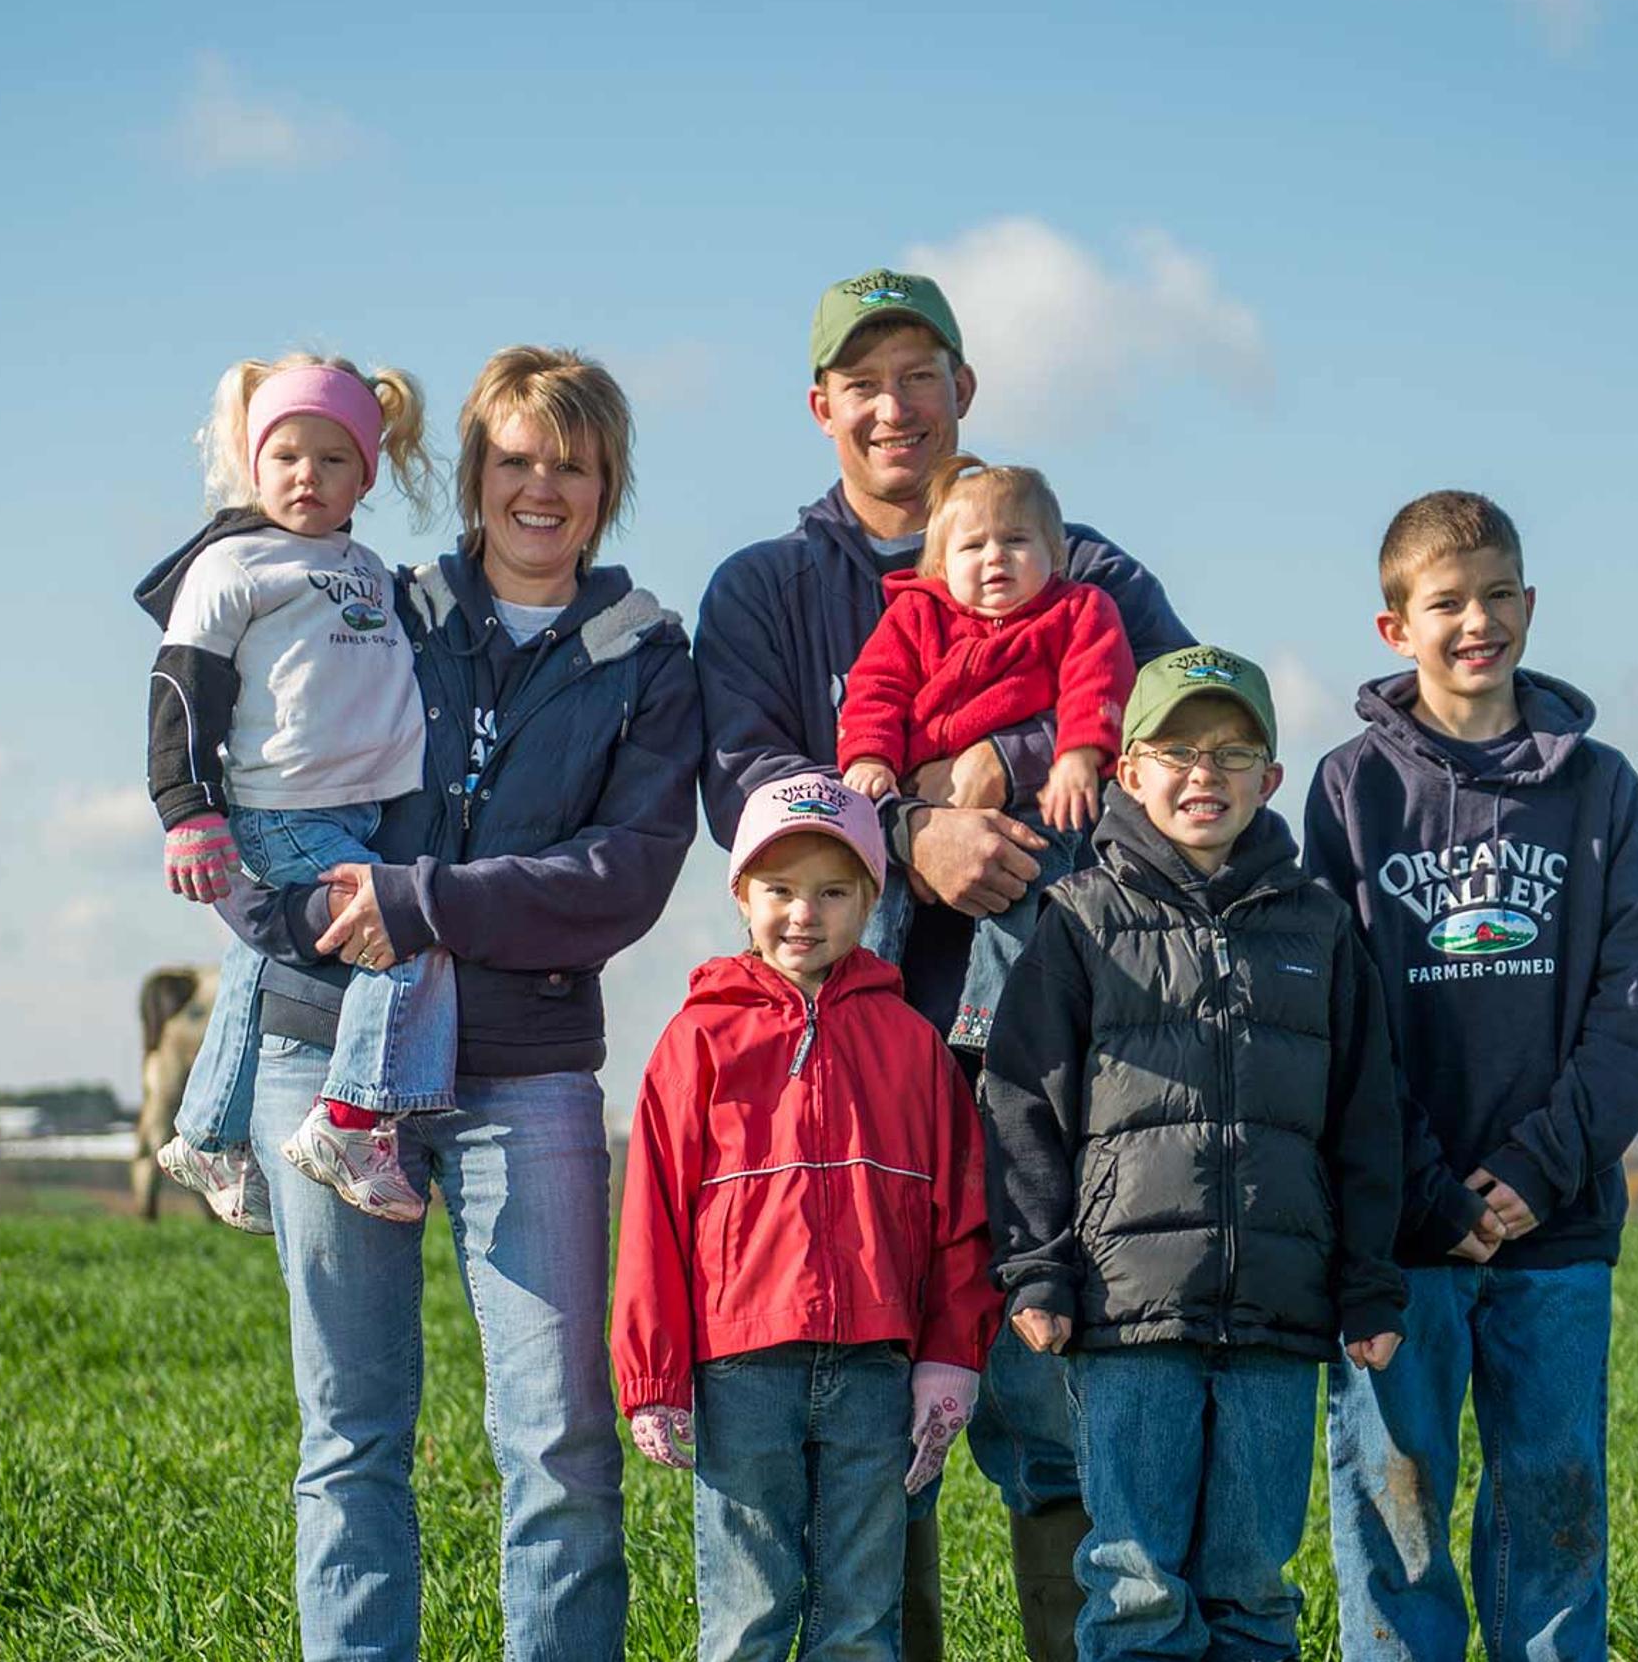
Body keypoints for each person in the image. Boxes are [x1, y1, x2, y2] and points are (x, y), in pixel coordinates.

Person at [694, 267, 1191, 1662]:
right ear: (820, 407)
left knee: (1049, 1411)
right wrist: (912, 830)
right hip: (853, 1061)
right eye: (865, 381)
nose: (894, 405)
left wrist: (1016, 768)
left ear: (965, 392)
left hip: (1054, 1059)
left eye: (922, 374)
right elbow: (741, 782)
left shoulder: (1083, 565)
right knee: (871, 1417)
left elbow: (1167, 740)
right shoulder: (764, 588)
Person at [218, 346, 703, 1662]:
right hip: (327, 1052)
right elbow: (260, 788)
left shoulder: (647, 652)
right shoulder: (370, 604)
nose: (541, 485)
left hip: (524, 1070)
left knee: (555, 1429)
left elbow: (622, 874)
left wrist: (424, 900)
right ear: (472, 473)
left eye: (573, 461)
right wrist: (310, 915)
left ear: (609, 484)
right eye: (515, 457)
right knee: (352, 1423)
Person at [978, 645, 1409, 1662]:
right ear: (1127, 768)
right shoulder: (1077, 920)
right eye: (1176, 748)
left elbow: (1365, 1119)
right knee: (1135, 1584)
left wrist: (1370, 1284)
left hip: (1276, 1313)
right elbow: (1023, 1105)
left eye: (1231, 751)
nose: (1202, 773)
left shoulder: (1319, 930)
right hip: (1127, 1316)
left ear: (1271, 779)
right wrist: (1038, 1265)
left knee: (1253, 1584)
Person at [1302, 490, 1638, 1662]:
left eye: (1500, 593)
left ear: (1531, 602)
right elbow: (1338, 1016)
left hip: (1556, 1231)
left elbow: (1630, 1014)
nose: (1479, 621)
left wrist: (1532, 1172)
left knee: (1553, 1510)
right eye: (1447, 601)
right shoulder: (1350, 790)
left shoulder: (1601, 788)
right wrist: (1432, 1188)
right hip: (1402, 1236)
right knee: (1395, 1515)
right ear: (1393, 628)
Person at [613, 774, 1002, 1662]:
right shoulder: (697, 1040)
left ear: (872, 897)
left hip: (875, 1371)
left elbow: (959, 1222)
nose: (804, 913)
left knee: (863, 1622)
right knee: (748, 1615)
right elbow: (651, 1225)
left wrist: (949, 1356)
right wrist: (653, 1375)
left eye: (833, 891)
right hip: (741, 1374)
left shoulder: (911, 1045)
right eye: (780, 890)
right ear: (741, 894)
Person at [138, 353, 450, 1225]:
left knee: (258, 960)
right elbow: (179, 688)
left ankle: (204, 1135)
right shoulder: (234, 564)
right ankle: (351, 1118)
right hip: (280, 810)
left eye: (333, 458)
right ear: (253, 461)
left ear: (367, 473)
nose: (307, 475)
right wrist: (187, 809)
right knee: (402, 934)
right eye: (286, 457)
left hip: (350, 809)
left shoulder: (367, 566)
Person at [835, 456, 1132, 1048]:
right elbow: (876, 691)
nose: (995, 556)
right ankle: (860, 997)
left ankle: (988, 1020)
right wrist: (871, 757)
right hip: (917, 800)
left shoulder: (1078, 611)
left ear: (1055, 555)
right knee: (873, 886)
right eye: (973, 547)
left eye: (1016, 540)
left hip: (1030, 807)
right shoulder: (915, 616)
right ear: (941, 566)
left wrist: (1078, 753)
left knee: (1023, 889)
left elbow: (1098, 684)